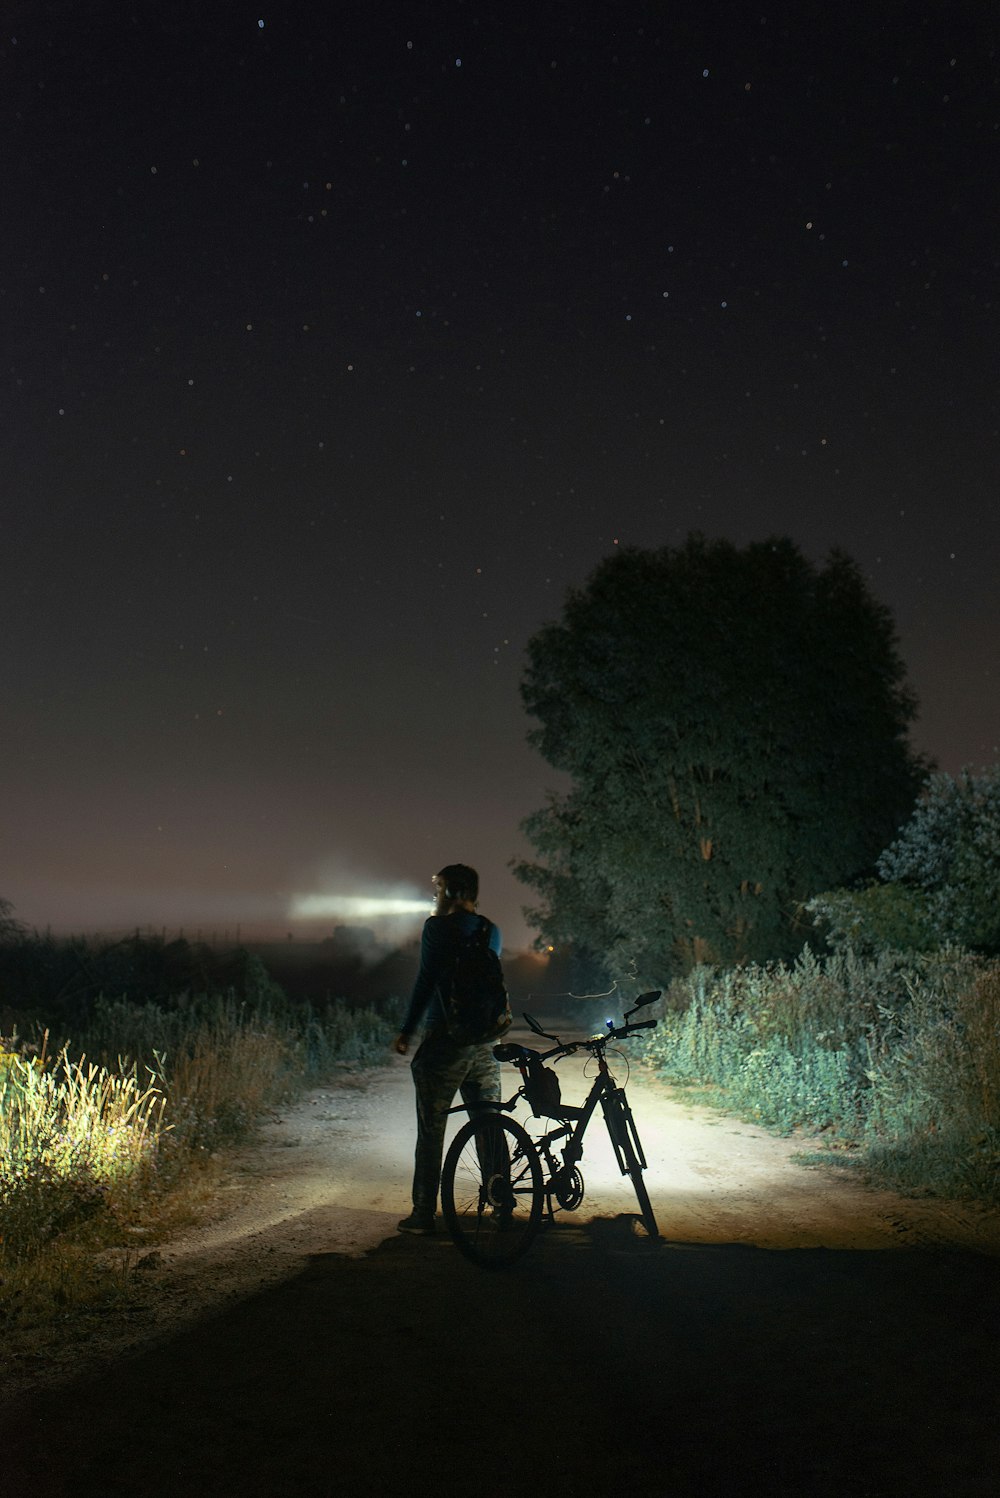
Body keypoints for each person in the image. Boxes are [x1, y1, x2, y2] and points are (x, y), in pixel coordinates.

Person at [394, 863, 503, 1234]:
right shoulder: (492, 931)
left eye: (438, 889)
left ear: (454, 893)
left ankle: (423, 1213)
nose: (434, 896)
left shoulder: (436, 928)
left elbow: (426, 982)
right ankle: (502, 1204)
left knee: (431, 1127)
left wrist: (407, 1030)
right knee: (489, 1123)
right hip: (486, 1043)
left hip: (445, 1040)